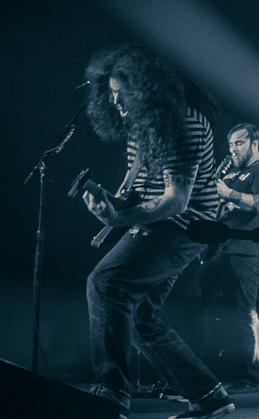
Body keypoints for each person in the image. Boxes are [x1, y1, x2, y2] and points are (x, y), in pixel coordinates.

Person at [82, 45, 234, 419]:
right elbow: (136, 186)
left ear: (148, 89)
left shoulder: (187, 123)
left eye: (123, 95)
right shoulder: (140, 129)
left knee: (105, 284)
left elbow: (176, 201)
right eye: (112, 96)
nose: (116, 104)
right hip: (159, 224)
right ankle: (209, 396)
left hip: (182, 228)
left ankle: (111, 393)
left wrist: (119, 220)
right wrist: (111, 206)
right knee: (140, 318)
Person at [197, 123, 259, 394]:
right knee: (203, 310)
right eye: (230, 144)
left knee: (244, 311)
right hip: (215, 249)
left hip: (247, 249)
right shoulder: (230, 172)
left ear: (254, 143)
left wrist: (229, 193)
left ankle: (248, 377)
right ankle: (203, 375)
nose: (232, 149)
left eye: (239, 143)